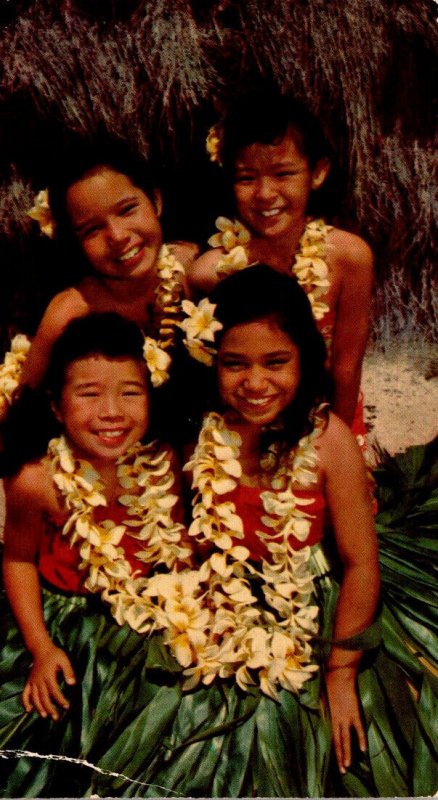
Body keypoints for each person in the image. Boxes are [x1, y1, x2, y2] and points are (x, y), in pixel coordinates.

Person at [89, 266, 437, 797]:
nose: (255, 383)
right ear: (210, 361)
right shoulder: (200, 431)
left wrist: (343, 669)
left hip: (319, 601)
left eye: (276, 362)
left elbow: (361, 563)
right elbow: (185, 528)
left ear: (303, 358)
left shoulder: (327, 441)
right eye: (234, 364)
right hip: (225, 595)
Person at [0, 312, 191, 797]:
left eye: (130, 393)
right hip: (62, 613)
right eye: (89, 394)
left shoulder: (164, 461)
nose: (112, 411)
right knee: (35, 729)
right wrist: (41, 646)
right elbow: (19, 560)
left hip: (146, 612)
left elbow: (179, 546)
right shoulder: (38, 480)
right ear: (56, 405)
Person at [188, 92, 374, 432]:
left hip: (323, 421)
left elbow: (347, 369)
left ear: (317, 173)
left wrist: (339, 446)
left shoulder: (349, 256)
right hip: (244, 429)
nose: (264, 193)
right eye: (246, 178)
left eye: (283, 174)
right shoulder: (213, 270)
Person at [0, 140, 198, 411]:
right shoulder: (71, 310)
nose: (117, 236)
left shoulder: (192, 267)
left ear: (155, 201)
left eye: (127, 210)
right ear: (75, 243)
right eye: (92, 230)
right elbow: (22, 410)